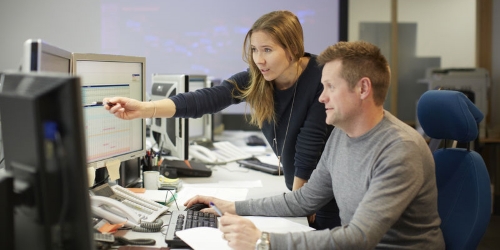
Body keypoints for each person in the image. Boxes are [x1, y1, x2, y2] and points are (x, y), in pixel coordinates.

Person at [184, 40, 445, 249]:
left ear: (363, 89)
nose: (321, 98)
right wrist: (232, 206)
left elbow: (359, 238)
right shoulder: (342, 135)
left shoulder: (399, 150)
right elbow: (305, 200)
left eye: (330, 87)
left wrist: (263, 242)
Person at [104, 10, 340, 230]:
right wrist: (144, 109)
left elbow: (308, 153)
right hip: (298, 198)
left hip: (326, 202)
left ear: (292, 48)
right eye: (255, 50)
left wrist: (297, 210)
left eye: (267, 50)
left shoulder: (320, 78)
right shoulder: (259, 78)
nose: (259, 60)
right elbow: (207, 99)